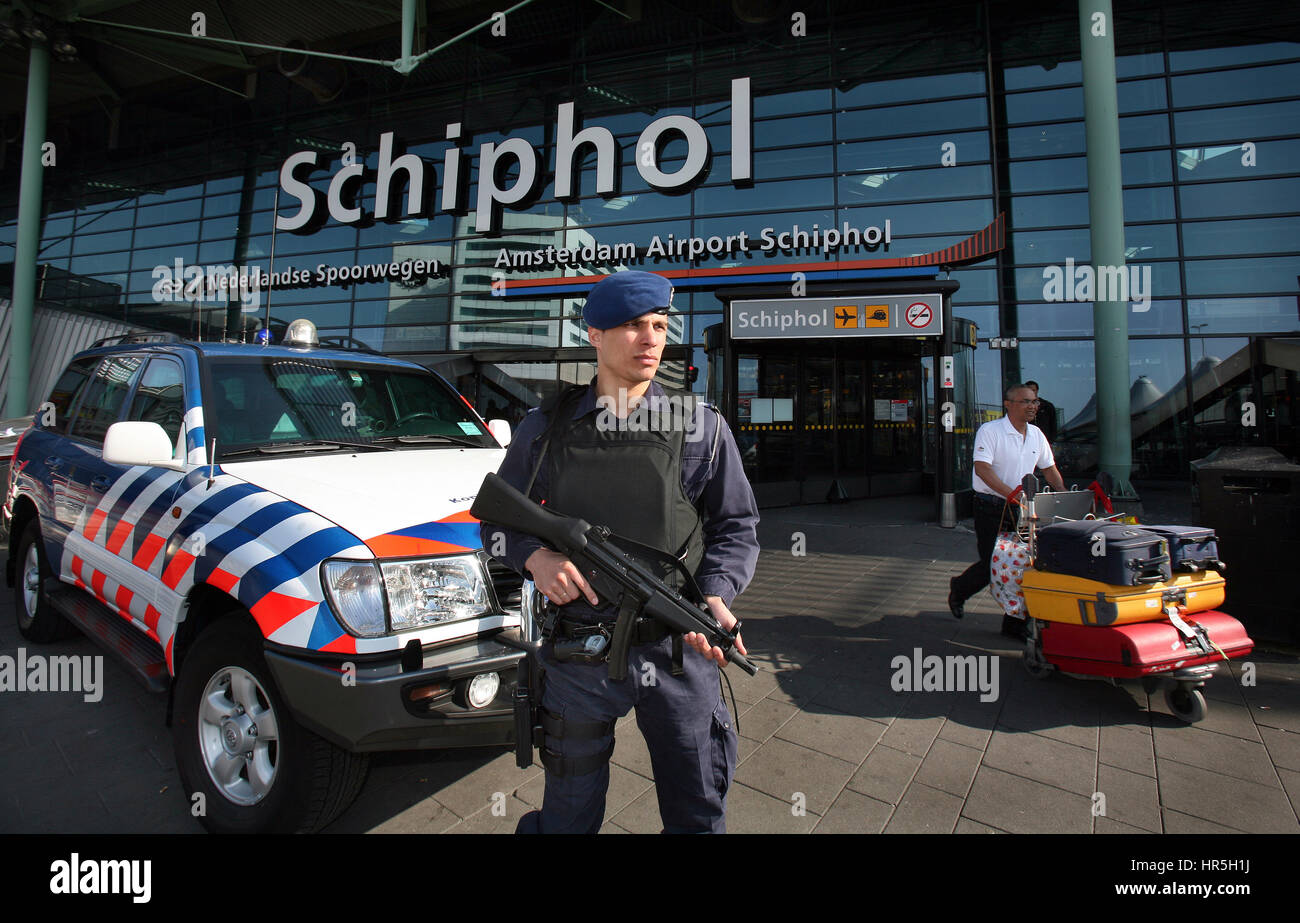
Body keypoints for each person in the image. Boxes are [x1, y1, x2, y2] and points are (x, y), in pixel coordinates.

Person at [483, 270, 760, 834]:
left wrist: (715, 594)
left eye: (659, 325)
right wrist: (535, 559)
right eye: (634, 325)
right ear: (594, 334)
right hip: (579, 653)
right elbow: (495, 523)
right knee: (569, 814)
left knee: (698, 811)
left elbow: (736, 526)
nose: (652, 338)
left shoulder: (700, 427)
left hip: (678, 648)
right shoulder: (545, 428)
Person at [949, 382, 1065, 639]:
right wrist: (1009, 494)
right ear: (1008, 404)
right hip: (992, 507)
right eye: (1026, 401)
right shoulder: (990, 431)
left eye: (1035, 402)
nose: (1032, 407)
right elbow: (982, 468)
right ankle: (959, 588)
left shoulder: (1036, 434)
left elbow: (1049, 469)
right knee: (994, 563)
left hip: (1024, 510)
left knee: (1025, 565)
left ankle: (1014, 624)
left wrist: (1064, 496)